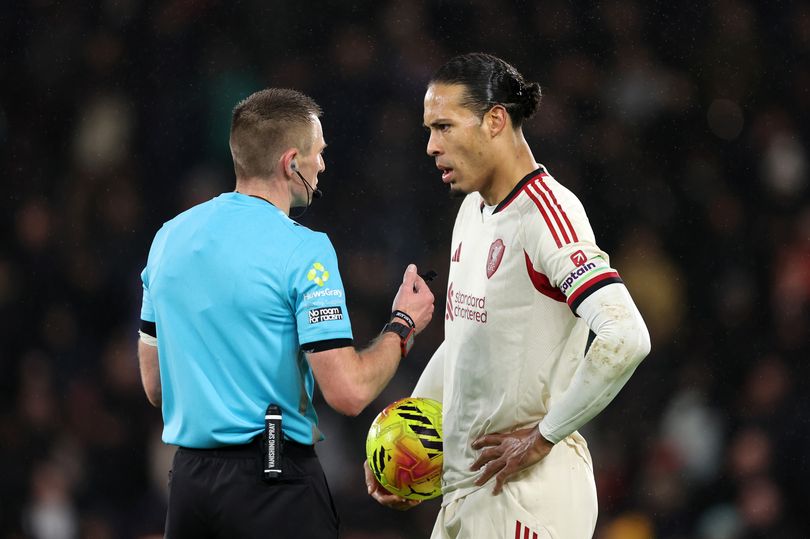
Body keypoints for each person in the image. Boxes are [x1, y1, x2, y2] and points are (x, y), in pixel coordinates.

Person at [365, 53, 651, 538]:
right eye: (428, 130)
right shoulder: (472, 211)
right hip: (469, 490)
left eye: (444, 127)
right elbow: (462, 345)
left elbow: (627, 336)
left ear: (495, 119)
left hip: (529, 492)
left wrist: (542, 438)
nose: (432, 146)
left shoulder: (548, 214)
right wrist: (402, 445)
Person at [137, 88, 434, 538]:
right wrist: (402, 325)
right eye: (319, 153)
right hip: (272, 482)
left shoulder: (167, 240)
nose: (324, 165)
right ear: (291, 162)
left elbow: (155, 387)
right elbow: (349, 392)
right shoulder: (304, 250)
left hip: (189, 489)